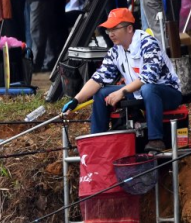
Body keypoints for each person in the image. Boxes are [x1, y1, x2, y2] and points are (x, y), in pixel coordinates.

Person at [62, 8, 181, 152]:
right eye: (108, 30)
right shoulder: (115, 51)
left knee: (149, 88)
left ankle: (156, 140)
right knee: (102, 92)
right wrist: (76, 100)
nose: (110, 34)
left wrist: (122, 92)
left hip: (167, 93)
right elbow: (98, 78)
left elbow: (149, 77)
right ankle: (97, 140)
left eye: (115, 29)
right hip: (139, 92)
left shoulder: (148, 43)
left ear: (129, 28)